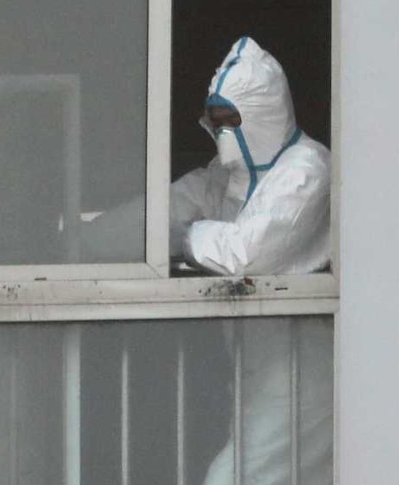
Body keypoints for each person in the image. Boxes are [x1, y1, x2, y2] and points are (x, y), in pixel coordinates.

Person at [172, 37, 333, 485]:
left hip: (301, 377)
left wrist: (191, 237)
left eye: (231, 120)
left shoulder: (306, 170)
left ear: (262, 113)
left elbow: (243, 251)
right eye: (215, 121)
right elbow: (164, 212)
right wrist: (76, 241)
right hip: (253, 372)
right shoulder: (229, 176)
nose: (221, 132)